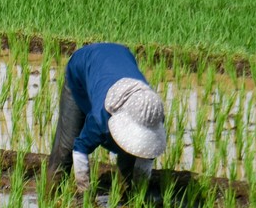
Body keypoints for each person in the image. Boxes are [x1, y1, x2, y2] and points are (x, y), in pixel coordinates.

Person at [46, 42, 167, 195]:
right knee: (66, 147)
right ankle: (51, 198)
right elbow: (80, 148)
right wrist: (85, 193)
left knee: (131, 156)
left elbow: (147, 155)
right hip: (82, 70)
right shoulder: (101, 119)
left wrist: (139, 192)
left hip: (119, 59)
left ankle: (127, 198)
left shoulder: (153, 114)